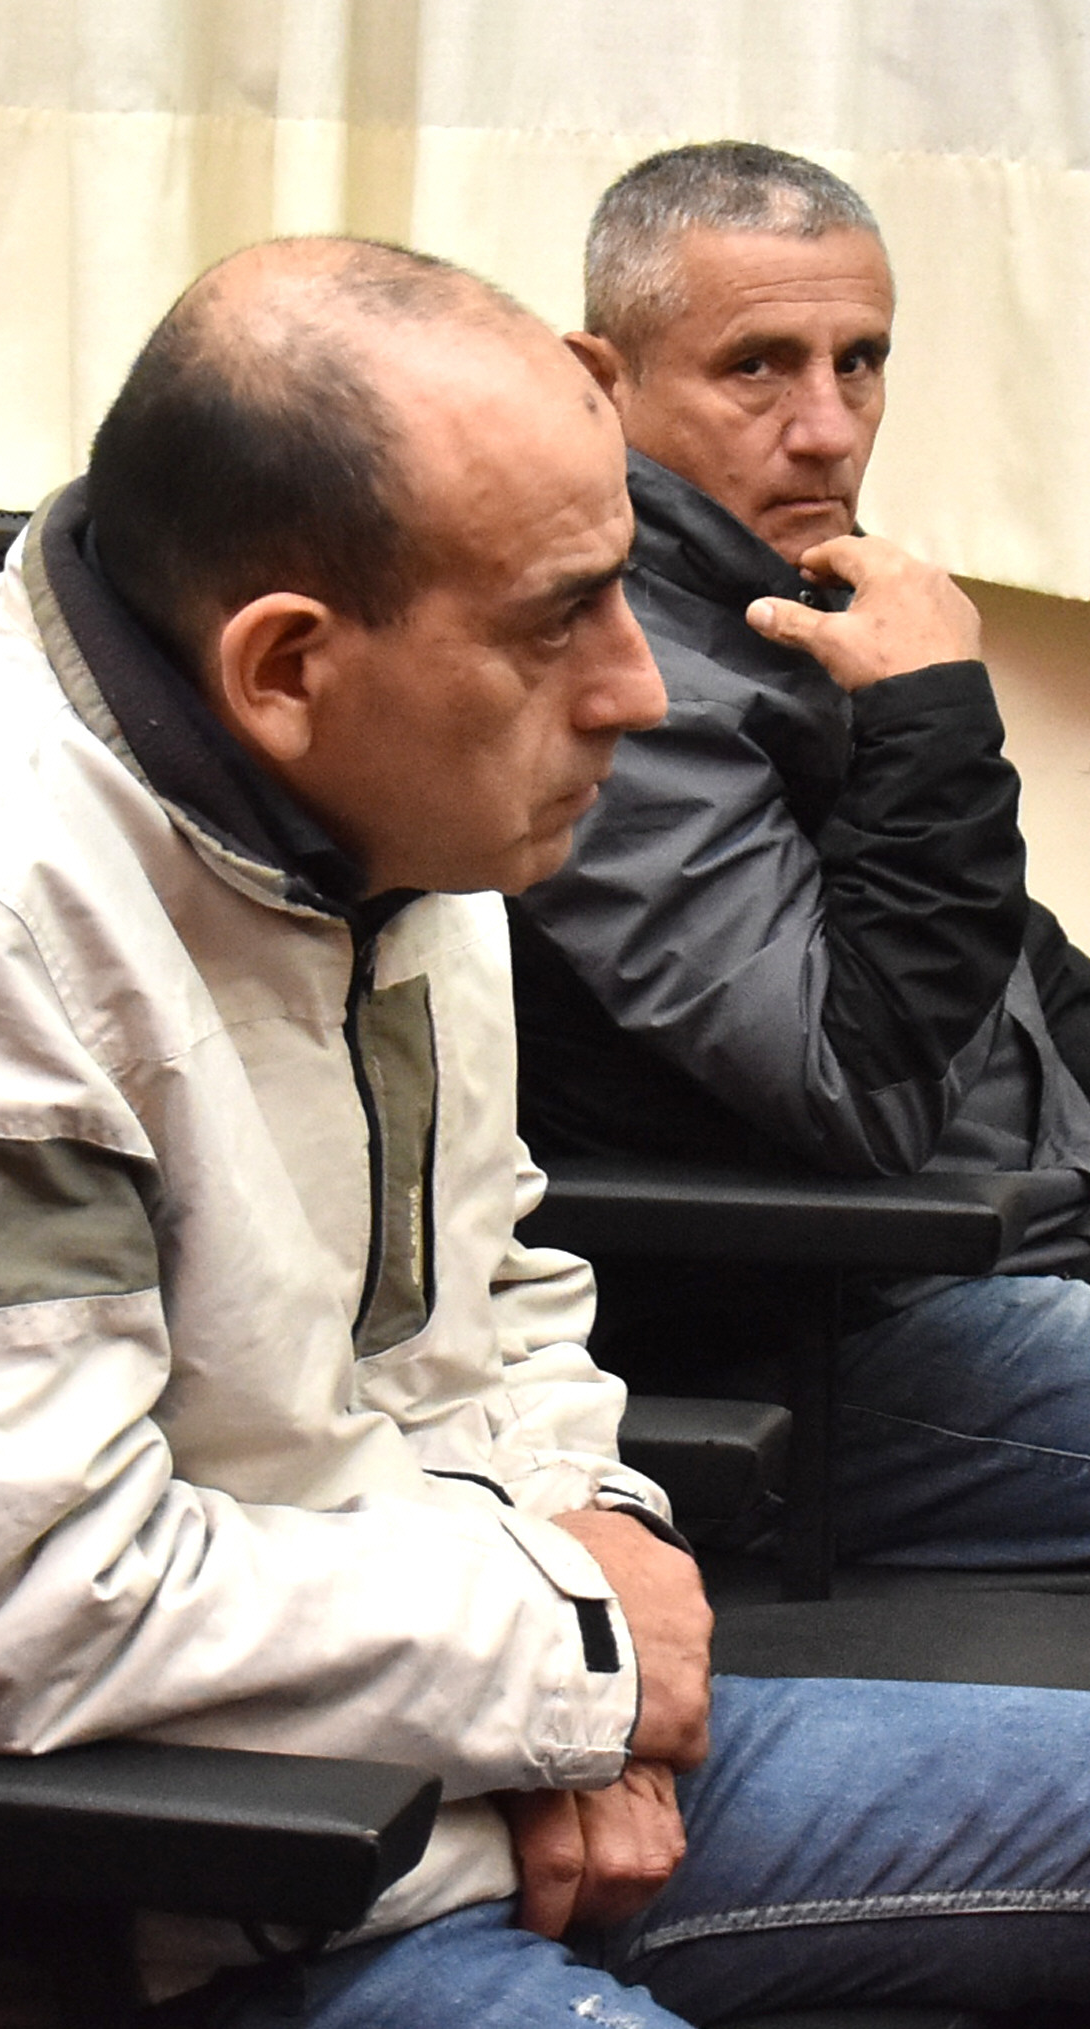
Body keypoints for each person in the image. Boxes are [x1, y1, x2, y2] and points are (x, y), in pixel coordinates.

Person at [0, 235, 1090, 2025]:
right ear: (286, 663)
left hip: (461, 1735)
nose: (637, 688)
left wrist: (584, 1613)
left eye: (624, 590)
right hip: (204, 1901)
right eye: (560, 620)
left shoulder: (383, 798)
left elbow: (500, 1285)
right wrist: (573, 1662)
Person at [511, 140, 1090, 1567]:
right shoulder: (614, 676)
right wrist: (933, 717)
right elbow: (860, 1086)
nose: (827, 429)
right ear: (602, 382)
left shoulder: (796, 600)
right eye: (758, 366)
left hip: (1012, 1248)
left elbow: (1018, 982)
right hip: (836, 1338)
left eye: (860, 362)